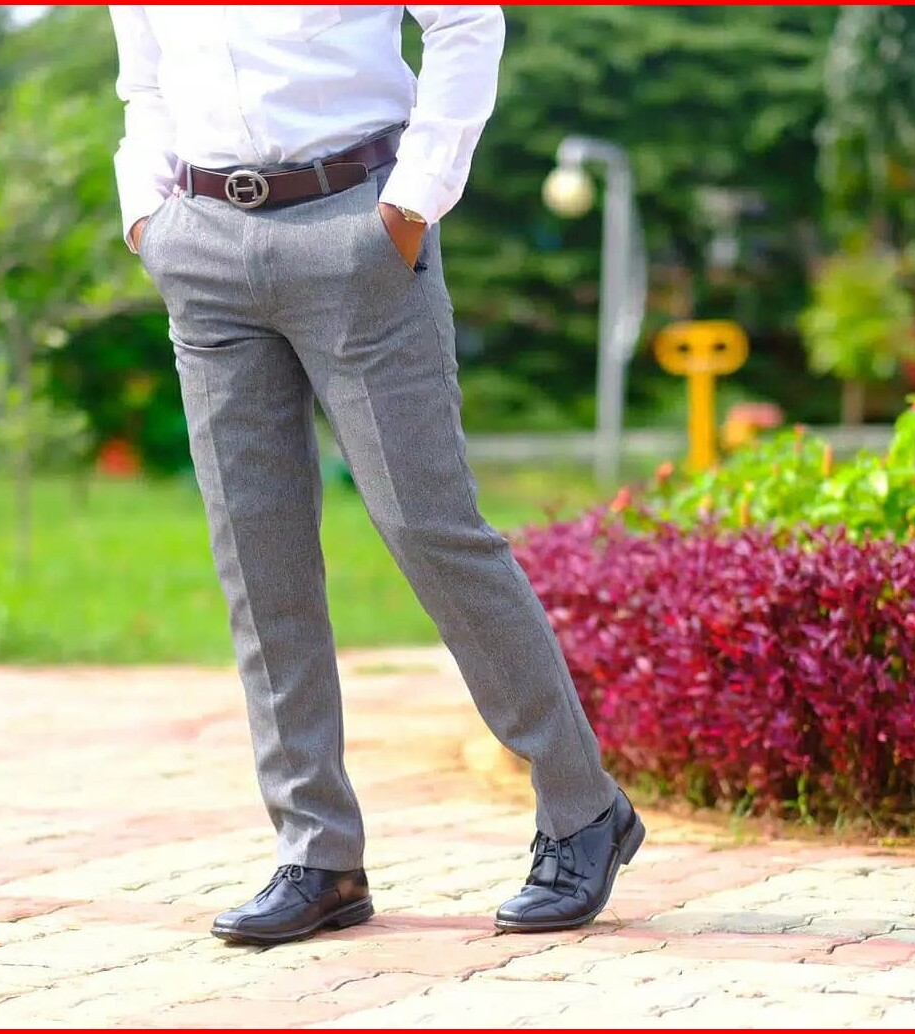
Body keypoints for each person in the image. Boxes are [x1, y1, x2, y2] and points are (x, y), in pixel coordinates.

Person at [109, 4, 644, 946]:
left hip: (356, 227)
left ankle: (581, 809)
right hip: (202, 240)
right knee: (257, 555)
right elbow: (144, 81)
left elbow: (466, 23)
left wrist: (412, 201)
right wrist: (147, 215)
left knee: (427, 527)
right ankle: (318, 855)